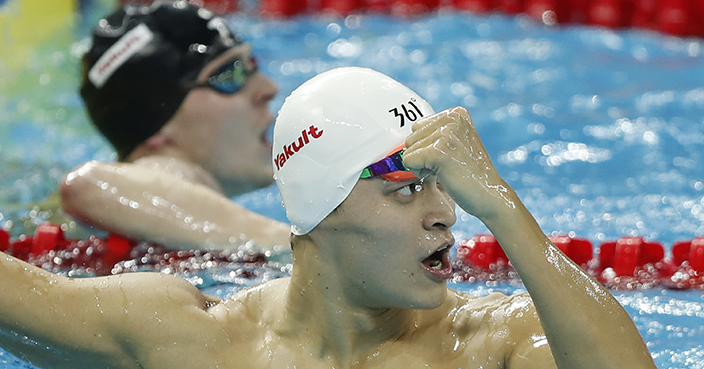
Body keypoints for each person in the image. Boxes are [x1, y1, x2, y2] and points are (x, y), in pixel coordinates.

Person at [0, 67, 657, 369]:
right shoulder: (191, 339)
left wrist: (503, 205)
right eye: (407, 191)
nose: (447, 217)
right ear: (319, 209)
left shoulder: (488, 344)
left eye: (450, 189)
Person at [55, 1, 290, 250]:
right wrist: (307, 251)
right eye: (229, 74)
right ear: (152, 123)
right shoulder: (129, 187)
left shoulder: (200, 226)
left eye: (251, 64)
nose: (268, 88)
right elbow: (88, 185)